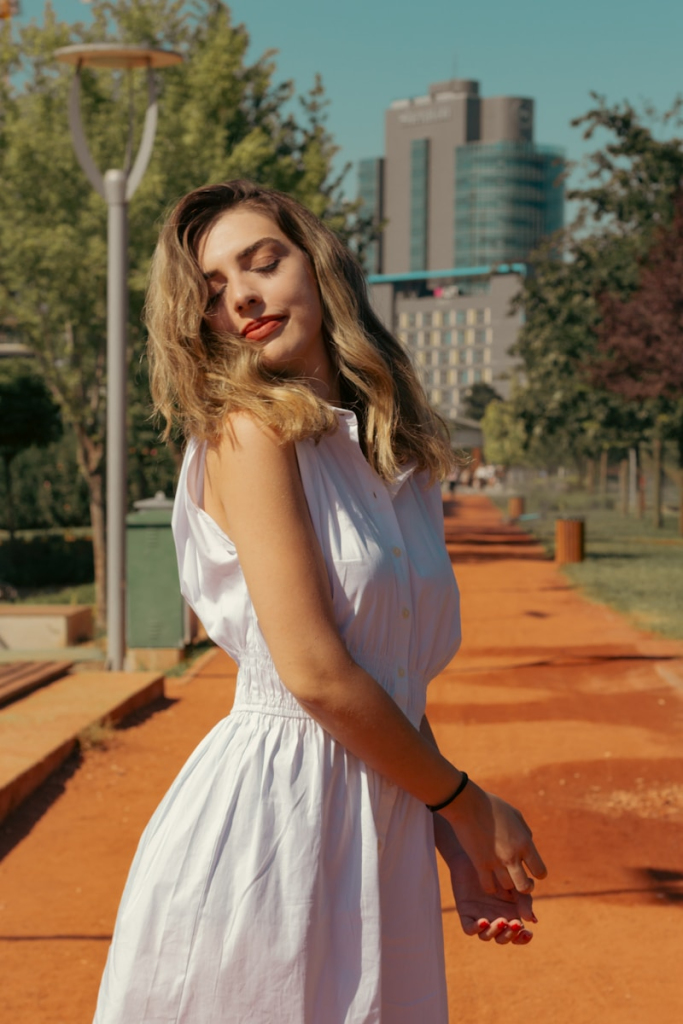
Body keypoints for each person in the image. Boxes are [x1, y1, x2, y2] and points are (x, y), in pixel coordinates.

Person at [92, 180, 547, 1024]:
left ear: (319, 264)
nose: (245, 298)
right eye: (215, 292)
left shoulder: (388, 453)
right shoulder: (247, 431)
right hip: (272, 828)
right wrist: (467, 803)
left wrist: (448, 834)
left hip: (378, 828)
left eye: (263, 262)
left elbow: (386, 674)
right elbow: (316, 675)